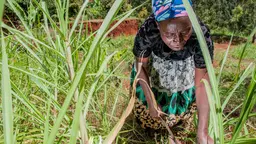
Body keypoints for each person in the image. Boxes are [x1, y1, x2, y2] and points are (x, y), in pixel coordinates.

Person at [130, 0, 214, 143]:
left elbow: (201, 84)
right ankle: (151, 129)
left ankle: (178, 126)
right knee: (148, 119)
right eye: (169, 34)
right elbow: (141, 66)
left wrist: (202, 133)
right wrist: (151, 101)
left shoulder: (201, 36)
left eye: (185, 32)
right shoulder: (147, 30)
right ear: (158, 25)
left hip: (183, 74)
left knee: (181, 120)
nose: (178, 40)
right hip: (155, 70)